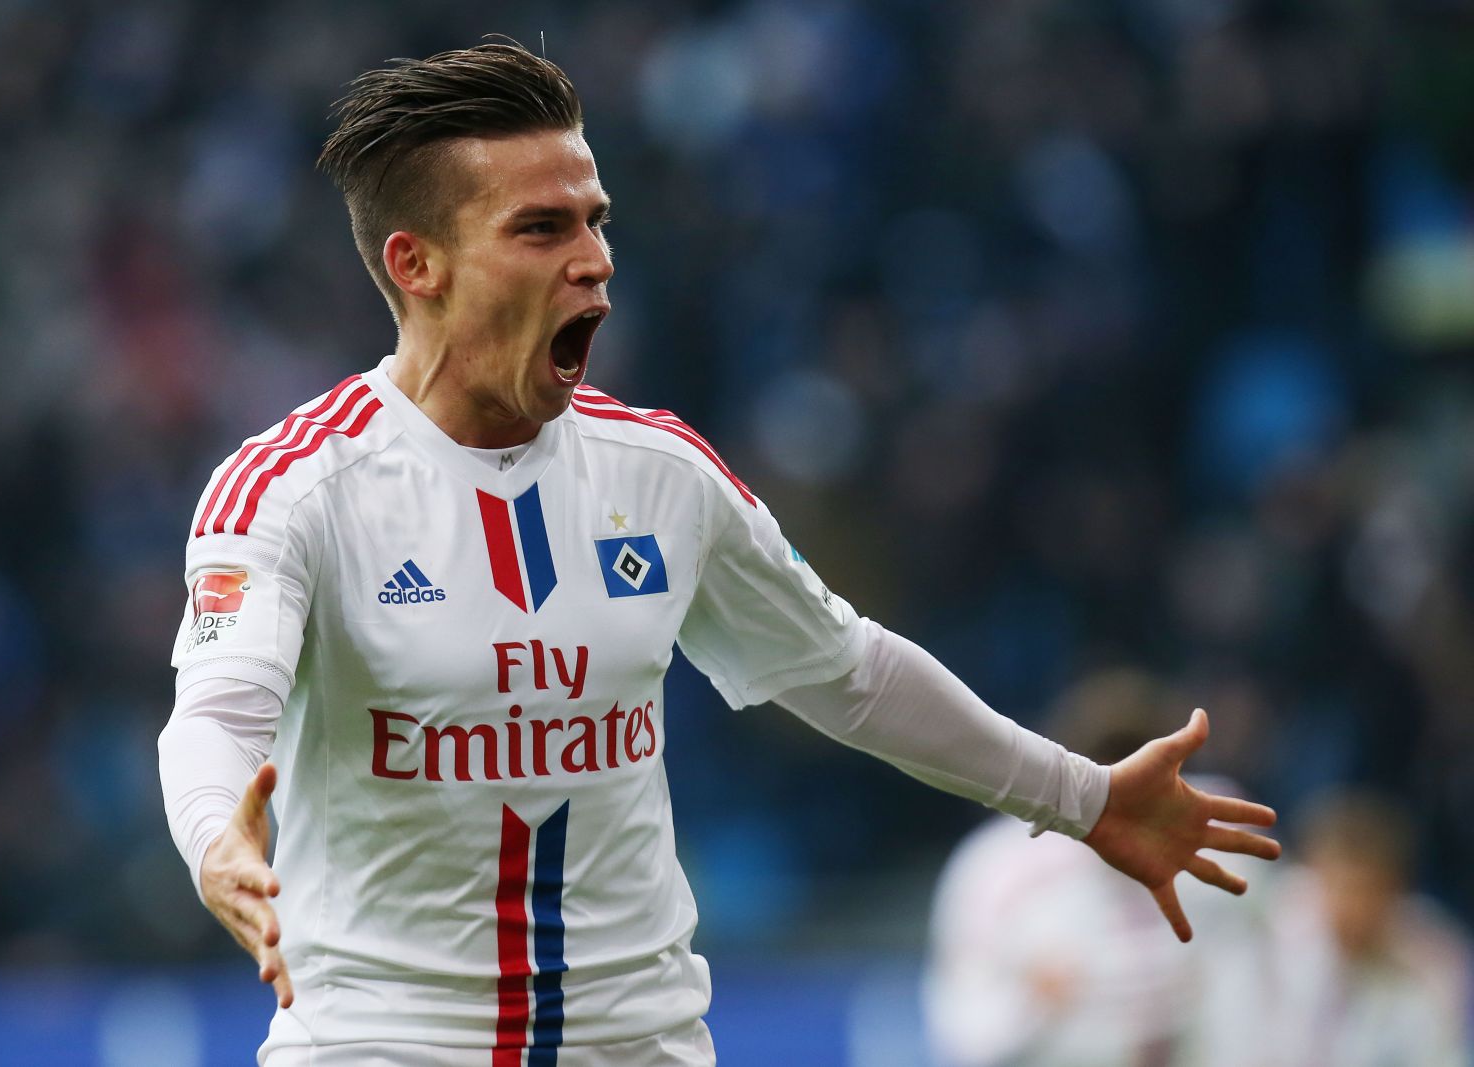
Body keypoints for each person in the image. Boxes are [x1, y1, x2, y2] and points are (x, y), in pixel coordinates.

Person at [156, 42, 1280, 1066]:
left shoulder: (662, 474)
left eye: (596, 221)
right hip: (381, 1045)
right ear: (418, 264)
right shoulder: (293, 489)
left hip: (638, 1045)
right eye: (542, 229)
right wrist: (218, 842)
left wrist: (1084, 796)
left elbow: (848, 671)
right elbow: (214, 715)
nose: (595, 261)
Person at [922, 670, 1282, 1067]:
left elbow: (1288, 962)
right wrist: (1031, 1005)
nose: (1126, 801)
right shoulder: (999, 868)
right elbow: (962, 1029)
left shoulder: (1222, 833)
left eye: (1143, 775)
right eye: (1106, 776)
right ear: (1070, 772)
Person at [1264, 791, 1471, 1067]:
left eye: (1367, 891)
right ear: (1315, 874)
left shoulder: (1434, 963)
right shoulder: (1265, 930)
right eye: (1342, 887)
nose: (1354, 907)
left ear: (1396, 890)